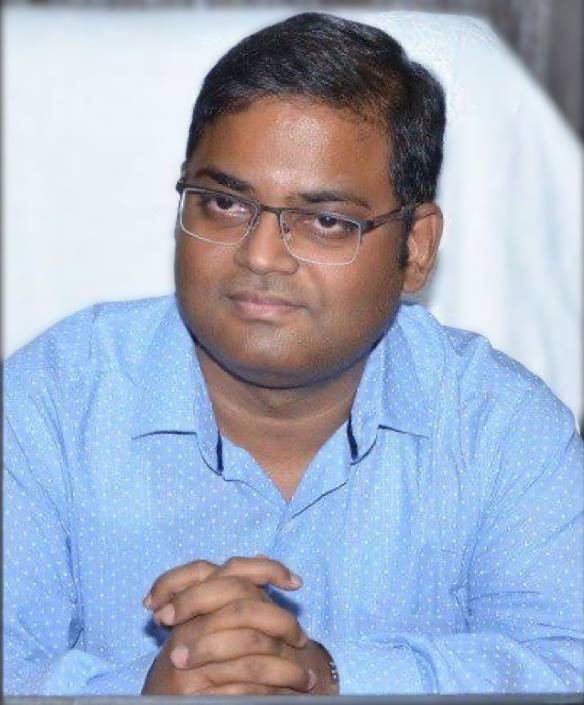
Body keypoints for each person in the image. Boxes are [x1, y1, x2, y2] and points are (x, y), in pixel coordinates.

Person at [3, 11, 582, 697]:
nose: (260, 256)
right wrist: (145, 691)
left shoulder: (502, 428)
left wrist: (330, 679)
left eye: (327, 220)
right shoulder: (48, 405)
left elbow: (566, 662)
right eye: (224, 203)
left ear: (416, 247)